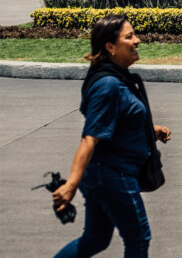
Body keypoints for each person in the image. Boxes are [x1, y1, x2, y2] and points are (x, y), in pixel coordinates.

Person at [52, 15, 171, 258]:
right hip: (112, 175)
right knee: (138, 238)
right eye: (129, 37)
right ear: (110, 46)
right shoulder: (108, 85)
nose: (137, 40)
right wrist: (70, 185)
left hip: (103, 174)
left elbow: (118, 121)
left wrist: (149, 131)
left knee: (95, 240)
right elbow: (90, 138)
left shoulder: (117, 78)